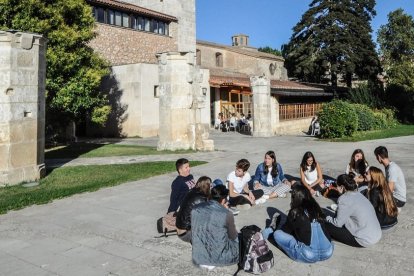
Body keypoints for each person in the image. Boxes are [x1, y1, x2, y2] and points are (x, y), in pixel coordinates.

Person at [262, 184, 333, 263]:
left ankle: (271, 229)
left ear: (294, 198)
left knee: (277, 234)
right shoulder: (316, 208)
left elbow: (285, 231)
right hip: (328, 251)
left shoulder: (295, 212)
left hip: (309, 254)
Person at [325, 174, 382, 247]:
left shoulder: (344, 199)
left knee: (325, 225)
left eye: (337, 186)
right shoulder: (358, 194)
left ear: (342, 187)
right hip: (376, 234)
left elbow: (337, 224)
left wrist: (326, 217)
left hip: (364, 240)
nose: (336, 188)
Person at [191, 185, 239, 270]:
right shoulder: (226, 214)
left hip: (198, 255)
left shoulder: (196, 208)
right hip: (217, 258)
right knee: (240, 240)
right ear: (224, 200)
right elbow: (233, 236)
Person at [175, 176, 212, 243]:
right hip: (185, 233)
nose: (211, 188)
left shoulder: (192, 192)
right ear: (207, 186)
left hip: (180, 229)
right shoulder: (201, 199)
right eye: (210, 186)